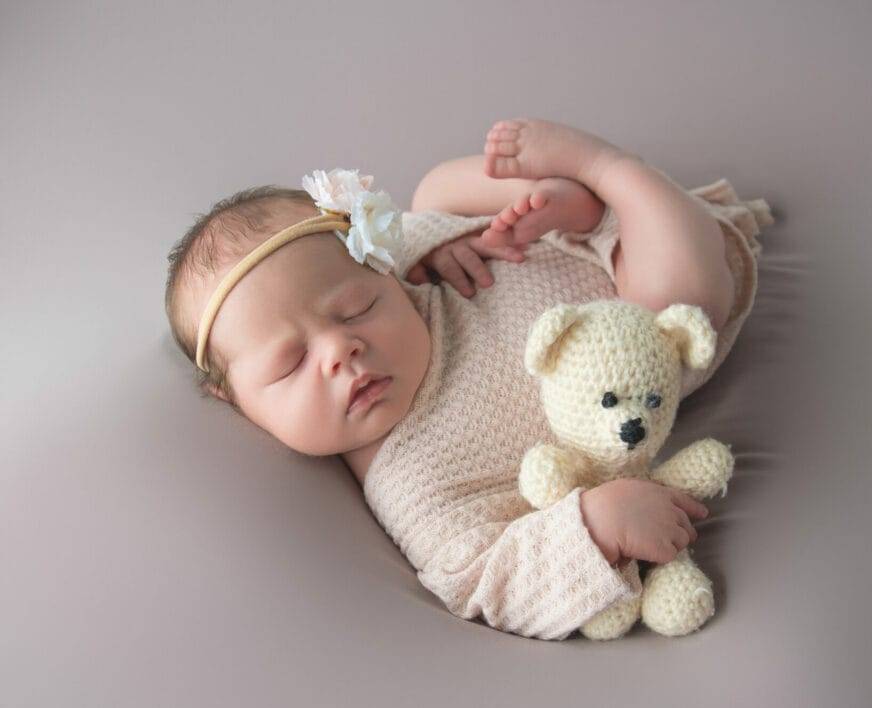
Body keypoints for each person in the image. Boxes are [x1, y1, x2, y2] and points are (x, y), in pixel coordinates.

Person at [164, 117, 773, 640]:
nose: (341, 351)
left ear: (385, 277)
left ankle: (581, 192)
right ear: (233, 398)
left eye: (357, 309)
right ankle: (614, 171)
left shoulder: (414, 276)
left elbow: (407, 232)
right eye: (291, 363)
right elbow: (481, 578)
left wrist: (433, 243)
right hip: (643, 300)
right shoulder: (413, 480)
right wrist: (594, 526)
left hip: (546, 239)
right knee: (680, 298)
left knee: (433, 190)